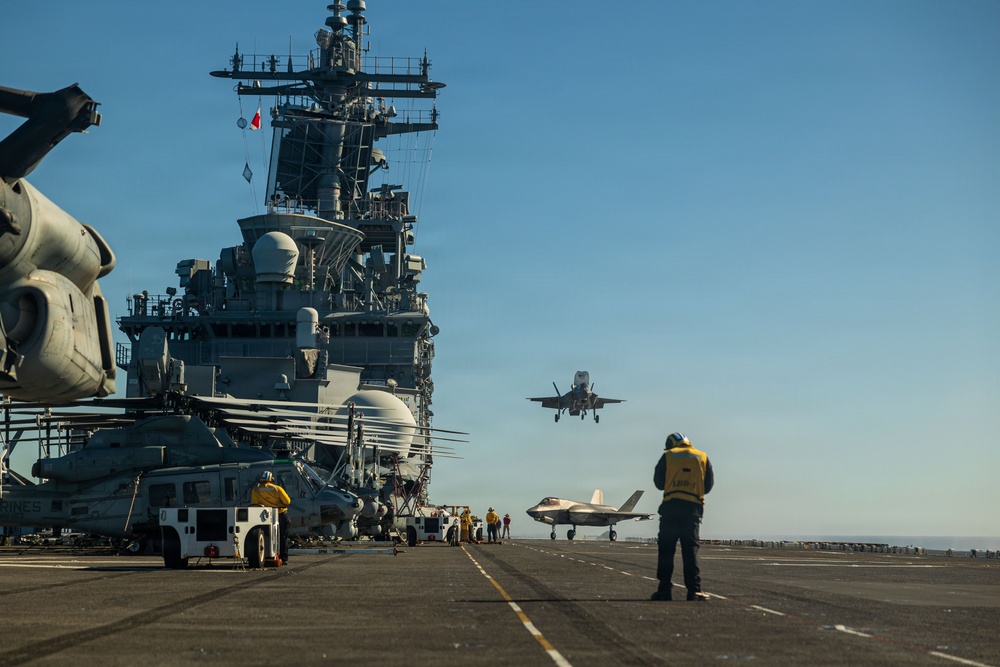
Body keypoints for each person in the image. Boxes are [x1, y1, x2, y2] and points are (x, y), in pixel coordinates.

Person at [651, 432, 714, 601]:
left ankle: (664, 590)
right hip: (692, 511)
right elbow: (708, 486)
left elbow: (658, 482)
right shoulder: (702, 457)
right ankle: (694, 590)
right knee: (690, 551)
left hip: (671, 509)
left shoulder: (668, 456)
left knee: (666, 551)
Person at [252, 470, 292, 564]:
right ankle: (284, 558)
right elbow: (287, 501)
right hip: (282, 514)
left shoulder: (256, 490)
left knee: (267, 537)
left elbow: (254, 504)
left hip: (266, 516)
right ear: (271, 479)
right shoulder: (278, 489)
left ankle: (267, 556)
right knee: (283, 537)